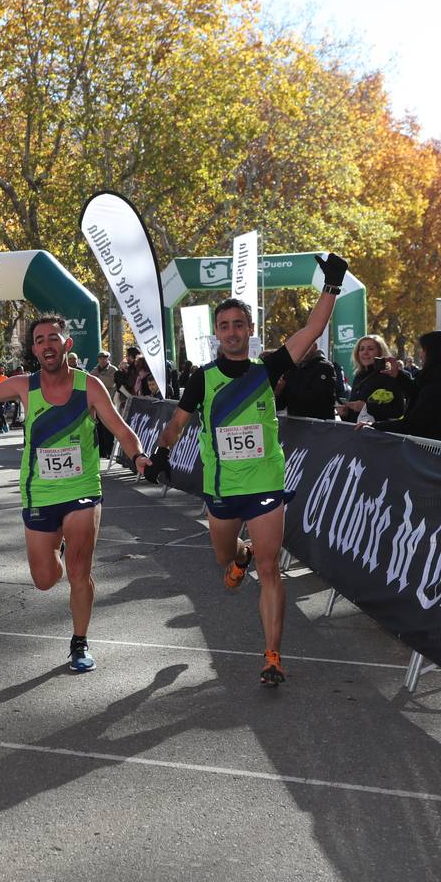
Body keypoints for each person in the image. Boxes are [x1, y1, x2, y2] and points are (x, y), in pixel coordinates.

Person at [145, 253, 349, 686]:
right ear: (217, 333)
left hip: (264, 483)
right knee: (225, 556)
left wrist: (331, 285)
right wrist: (160, 454)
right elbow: (178, 426)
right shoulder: (202, 379)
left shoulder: (268, 367)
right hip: (221, 488)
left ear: (251, 330)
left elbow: (312, 329)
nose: (233, 332)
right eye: (225, 326)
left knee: (271, 569)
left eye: (240, 324)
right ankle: (241, 556)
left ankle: (272, 656)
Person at [0, 316, 152, 673]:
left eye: (53, 338)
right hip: (39, 491)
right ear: (34, 350)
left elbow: (120, 428)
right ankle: (55, 550)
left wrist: (138, 455)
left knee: (79, 570)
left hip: (82, 489)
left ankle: (79, 641)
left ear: (66, 344)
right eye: (40, 340)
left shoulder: (89, 387)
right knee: (44, 580)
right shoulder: (25, 385)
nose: (47, 345)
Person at [368, 331, 441, 443]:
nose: (420, 354)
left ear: (434, 352)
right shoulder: (438, 376)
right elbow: (417, 392)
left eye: (423, 350)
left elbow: (415, 423)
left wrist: (374, 426)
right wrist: (398, 375)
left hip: (433, 449)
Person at [338, 334, 414, 423]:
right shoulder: (359, 376)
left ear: (380, 352)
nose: (365, 352)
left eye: (370, 349)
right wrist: (346, 413)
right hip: (356, 433)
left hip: (377, 434)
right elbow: (356, 411)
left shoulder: (389, 375)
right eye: (361, 349)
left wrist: (366, 407)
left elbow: (397, 411)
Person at [276, 341, 342, 420]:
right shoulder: (292, 368)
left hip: (318, 426)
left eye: (306, 345)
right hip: (295, 424)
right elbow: (280, 405)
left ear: (315, 347)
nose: (302, 349)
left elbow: (320, 400)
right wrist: (277, 392)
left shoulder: (324, 367)